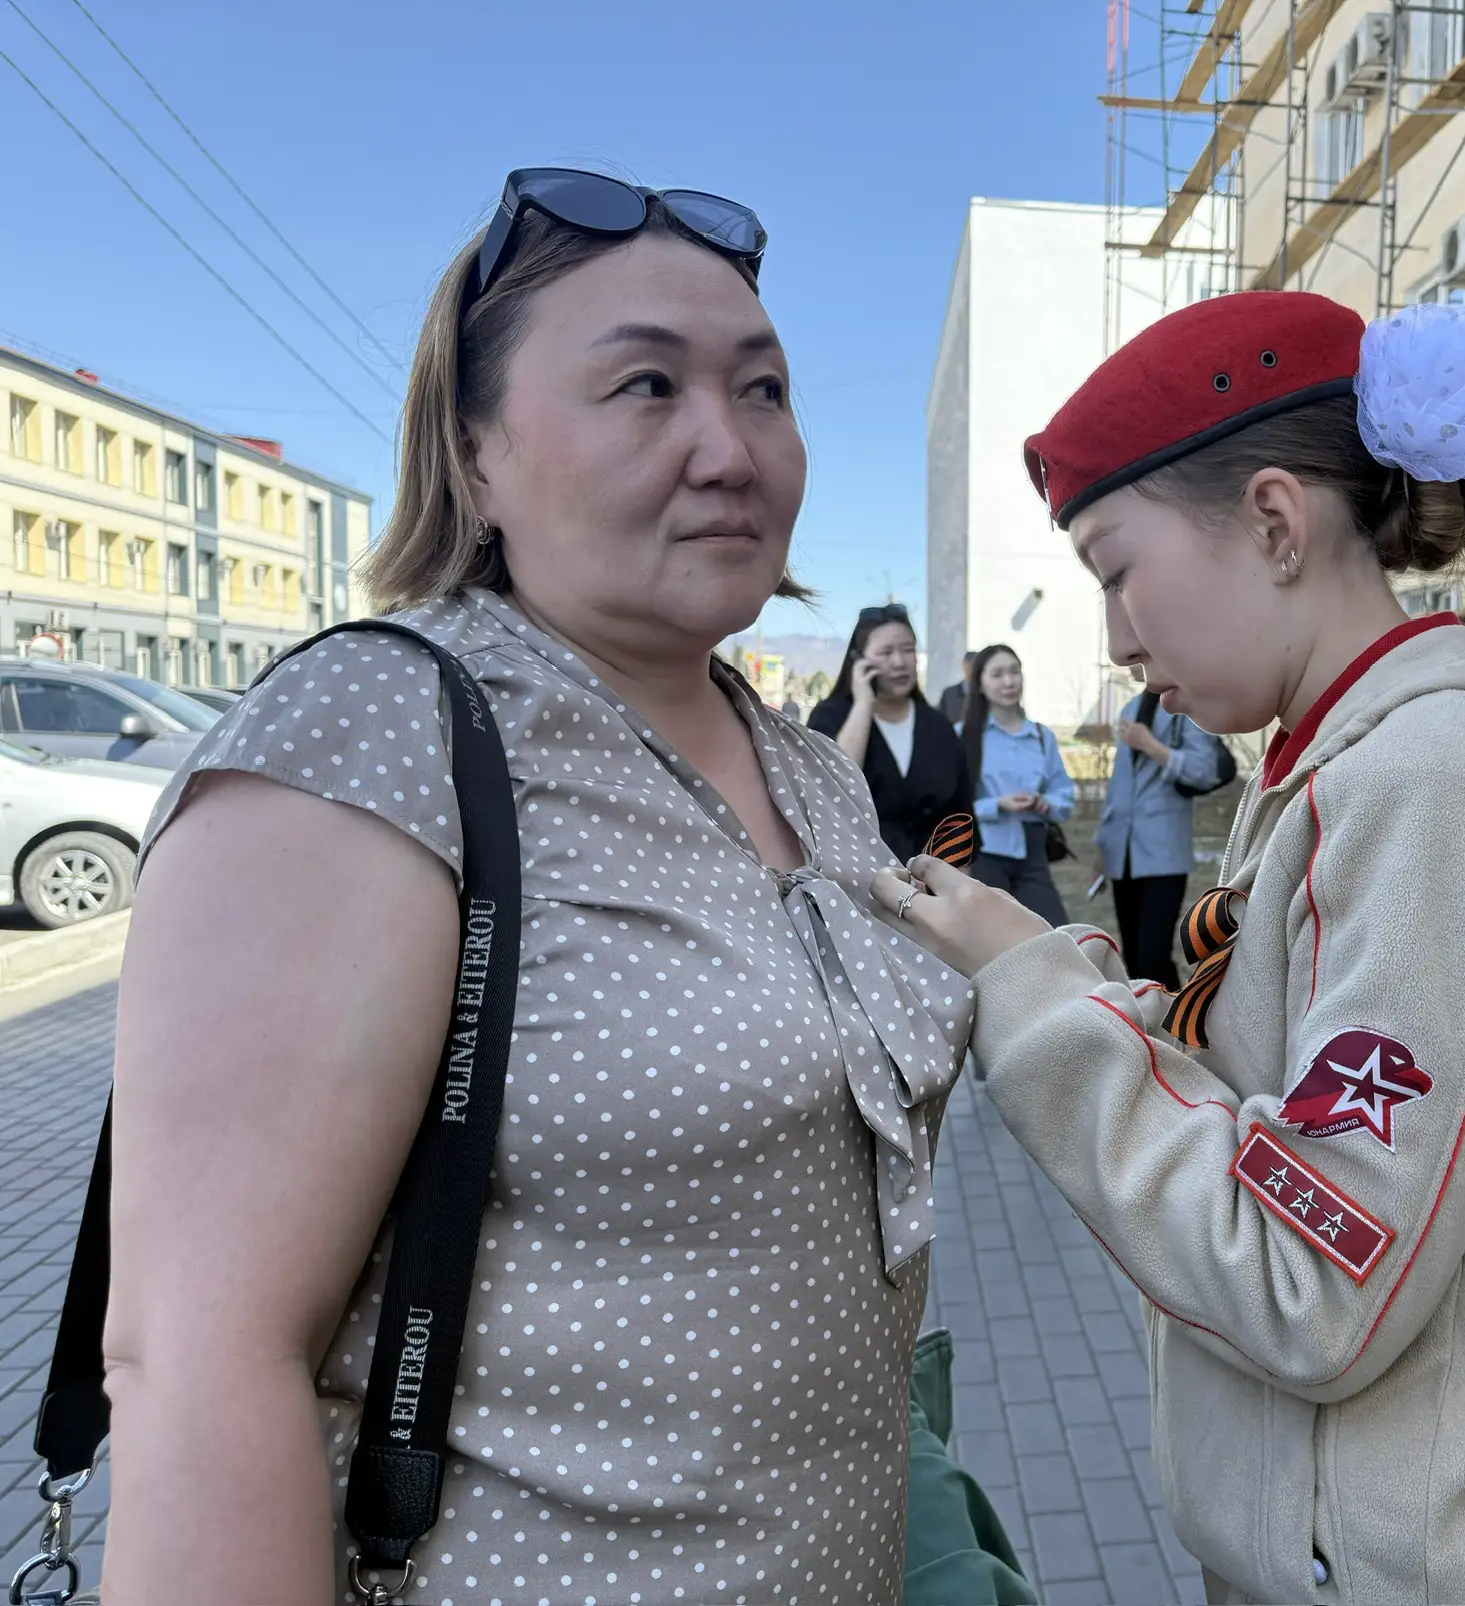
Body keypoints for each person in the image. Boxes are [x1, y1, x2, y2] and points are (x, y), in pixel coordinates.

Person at [101, 168, 972, 1603]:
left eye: (764, 390)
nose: (731, 449)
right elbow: (198, 1363)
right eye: (647, 385)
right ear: (476, 453)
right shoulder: (375, 736)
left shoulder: (812, 771)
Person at [871, 293, 1465, 1604]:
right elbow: (1274, 1101)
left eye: (1114, 570)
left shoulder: (1439, 781)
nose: (1118, 642)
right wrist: (1062, 963)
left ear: (1273, 521)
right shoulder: (1335, 768)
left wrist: (1037, 1000)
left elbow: (1309, 1278)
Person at [809, 605, 973, 865]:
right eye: (886, 652)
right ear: (859, 660)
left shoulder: (938, 726)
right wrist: (863, 704)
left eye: (908, 649)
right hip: (857, 871)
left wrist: (960, 877)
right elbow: (835, 786)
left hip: (931, 876)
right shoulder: (831, 716)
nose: (899, 662)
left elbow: (960, 811)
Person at [1094, 687, 1225, 987]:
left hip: (1164, 851)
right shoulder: (1130, 708)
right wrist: (1102, 842)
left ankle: (1176, 1016)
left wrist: (1152, 746)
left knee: (1154, 957)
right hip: (1123, 852)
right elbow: (1118, 785)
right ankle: (1145, 1016)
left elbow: (1205, 771)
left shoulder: (1187, 705)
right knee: (1133, 959)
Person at [958, 643, 1075, 926]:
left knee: (1054, 933)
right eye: (997, 674)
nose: (1009, 681)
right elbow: (951, 806)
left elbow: (1064, 796)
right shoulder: (962, 736)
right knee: (992, 939)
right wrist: (997, 804)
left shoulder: (1042, 736)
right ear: (980, 684)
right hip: (984, 853)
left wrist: (1045, 803)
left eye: (1014, 671)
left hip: (1033, 852)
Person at [936, 651, 975, 724]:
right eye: (969, 664)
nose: (971, 668)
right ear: (963, 664)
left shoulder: (987, 694)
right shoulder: (949, 694)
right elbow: (938, 720)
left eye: (974, 665)